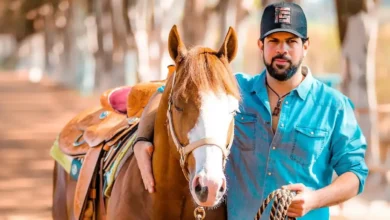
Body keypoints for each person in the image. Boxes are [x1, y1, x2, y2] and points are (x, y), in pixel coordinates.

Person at [133, 2, 369, 219]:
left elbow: (355, 174)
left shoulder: (334, 106)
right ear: (261, 45)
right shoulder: (232, 91)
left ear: (305, 46)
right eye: (273, 41)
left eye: (291, 41)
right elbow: (167, 91)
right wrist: (142, 138)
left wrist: (315, 199)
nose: (282, 50)